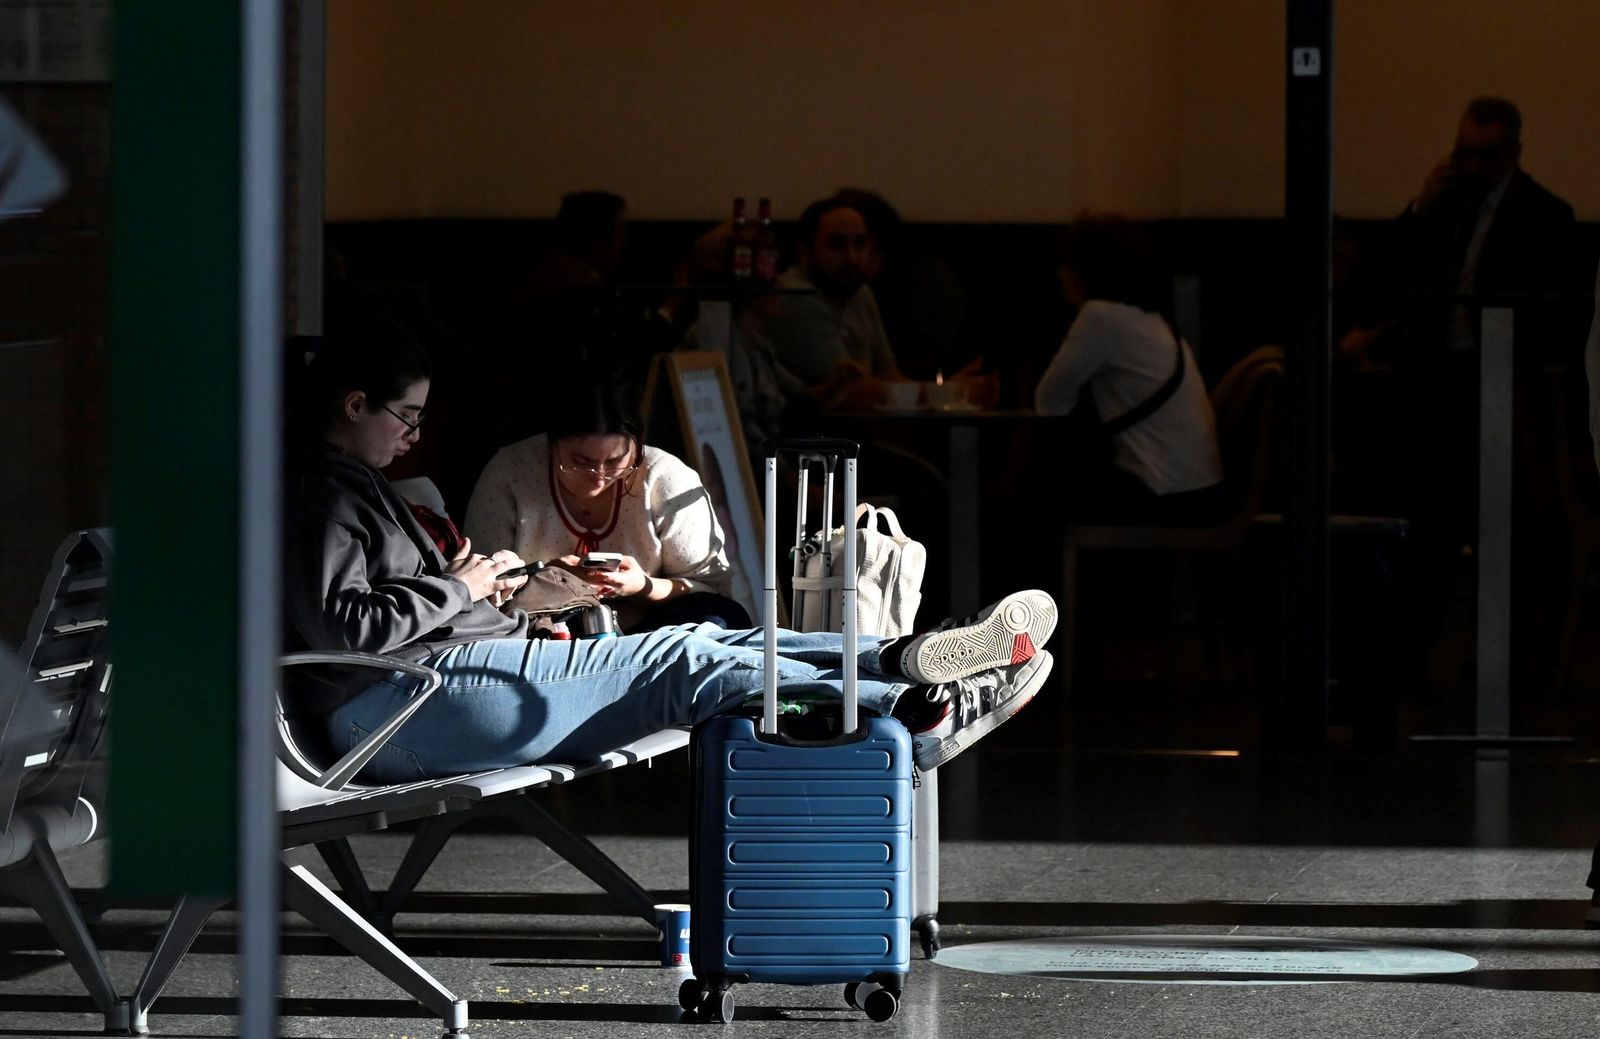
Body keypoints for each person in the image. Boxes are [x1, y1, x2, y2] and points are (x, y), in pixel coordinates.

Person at [282, 315, 1061, 781]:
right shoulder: (320, 493)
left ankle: (903, 661)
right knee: (678, 664)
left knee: (701, 640)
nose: (416, 436)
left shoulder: (351, 482)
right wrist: (462, 584)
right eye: (407, 418)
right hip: (396, 708)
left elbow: (373, 610)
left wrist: (479, 586)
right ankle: (918, 708)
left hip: (437, 684)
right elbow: (345, 627)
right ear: (354, 404)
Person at [463, 369, 752, 632]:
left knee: (721, 616)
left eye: (616, 461)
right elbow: (478, 590)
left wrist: (643, 587)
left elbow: (712, 587)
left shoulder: (666, 478)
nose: (599, 477)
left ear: (637, 444)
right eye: (580, 461)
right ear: (551, 442)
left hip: (652, 632)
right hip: (544, 629)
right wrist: (551, 578)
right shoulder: (510, 473)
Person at [1032, 215, 1226, 524]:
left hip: (1160, 491)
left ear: (1086, 269)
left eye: (1067, 265)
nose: (1060, 274)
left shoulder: (1100, 318)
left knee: (1037, 493)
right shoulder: (1151, 321)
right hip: (1199, 489)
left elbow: (1049, 400)